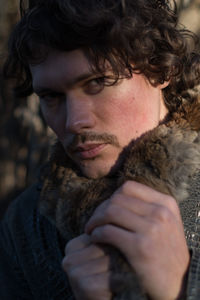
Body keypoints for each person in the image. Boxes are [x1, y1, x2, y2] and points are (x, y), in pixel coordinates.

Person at [1, 0, 200, 299]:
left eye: (98, 82)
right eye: (52, 96)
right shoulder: (25, 226)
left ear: (161, 71)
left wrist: (183, 287)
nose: (74, 121)